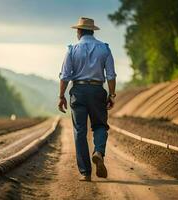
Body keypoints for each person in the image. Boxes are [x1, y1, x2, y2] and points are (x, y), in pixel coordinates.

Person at [58, 17, 117, 181]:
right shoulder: (104, 49)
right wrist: (111, 95)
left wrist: (61, 96)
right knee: (100, 125)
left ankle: (86, 173)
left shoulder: (72, 49)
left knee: (80, 131)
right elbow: (111, 75)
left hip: (78, 91)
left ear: (79, 31)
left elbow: (65, 76)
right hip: (97, 90)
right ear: (92, 31)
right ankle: (98, 151)